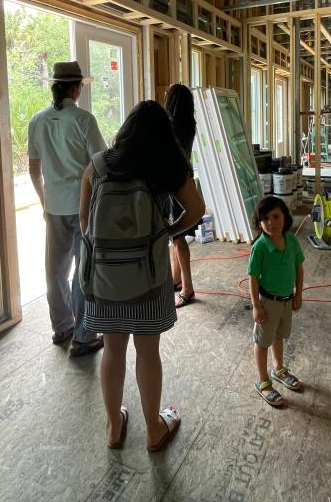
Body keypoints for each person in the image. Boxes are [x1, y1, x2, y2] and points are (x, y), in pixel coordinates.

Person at [79, 101, 203, 451]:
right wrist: (167, 230)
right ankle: (153, 430)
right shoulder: (166, 166)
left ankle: (114, 426)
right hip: (148, 279)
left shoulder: (98, 166)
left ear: (126, 128)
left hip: (105, 281)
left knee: (112, 350)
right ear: (164, 133)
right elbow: (197, 210)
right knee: (148, 352)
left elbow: (85, 226)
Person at [28, 61, 107, 357]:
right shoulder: (84, 120)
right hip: (82, 205)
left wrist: (43, 201)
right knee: (83, 269)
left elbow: (34, 169)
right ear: (75, 88)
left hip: (54, 204)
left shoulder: (37, 120)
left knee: (55, 268)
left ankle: (61, 326)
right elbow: (99, 163)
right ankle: (84, 336)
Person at [248, 195, 305, 407]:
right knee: (262, 341)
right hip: (268, 302)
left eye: (276, 216)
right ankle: (263, 382)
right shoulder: (260, 247)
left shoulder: (292, 241)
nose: (271, 222)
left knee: (278, 336)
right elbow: (253, 278)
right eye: (265, 218)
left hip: (287, 300)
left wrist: (298, 294)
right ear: (259, 222)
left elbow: (299, 268)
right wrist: (256, 305)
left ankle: (278, 369)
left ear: (285, 217)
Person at [164, 84, 199, 308]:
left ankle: (187, 289)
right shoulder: (189, 123)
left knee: (177, 236)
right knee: (179, 237)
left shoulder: (171, 125)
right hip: (185, 176)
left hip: (174, 178)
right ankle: (176, 279)